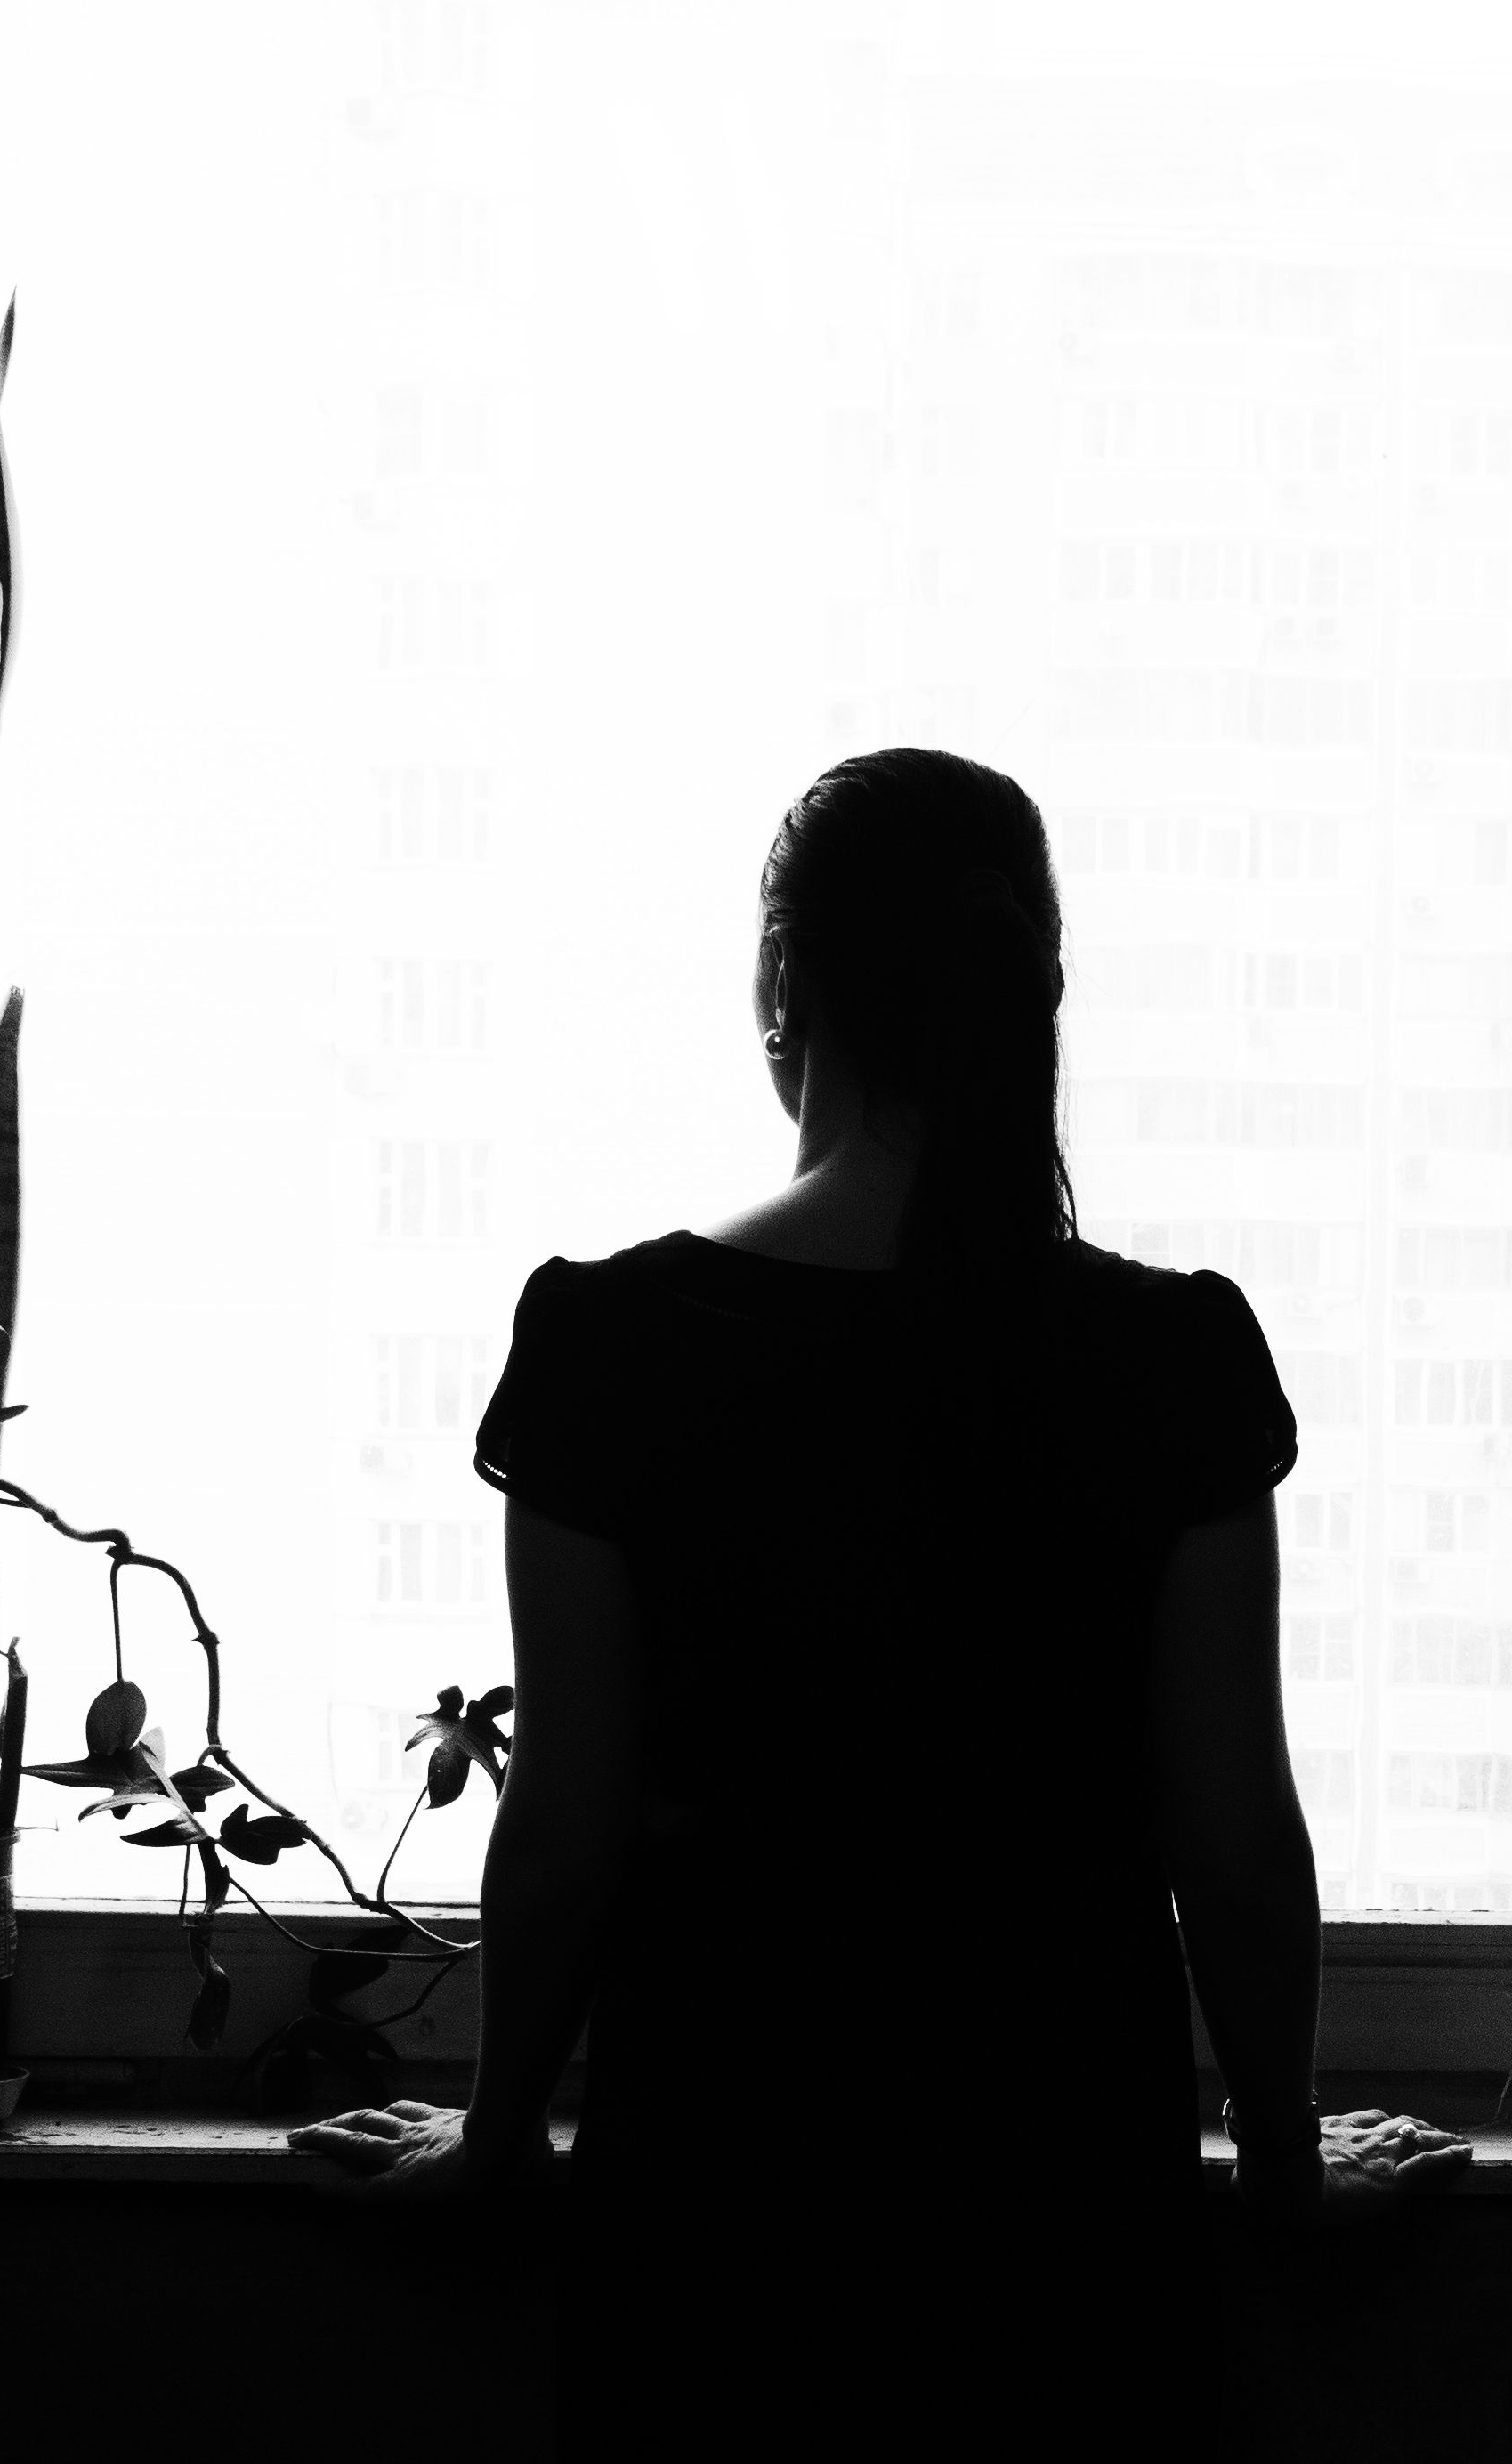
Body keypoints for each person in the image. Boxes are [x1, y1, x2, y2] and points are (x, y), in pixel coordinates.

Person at [287, 750, 1473, 2459]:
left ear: (785, 980)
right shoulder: (1172, 1357)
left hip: (717, 2227)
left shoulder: (612, 1347)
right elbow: (1232, 1839)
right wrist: (1282, 2160)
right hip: (1067, 2237)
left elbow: (566, 1837)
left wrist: (493, 2138)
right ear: (1033, 992)